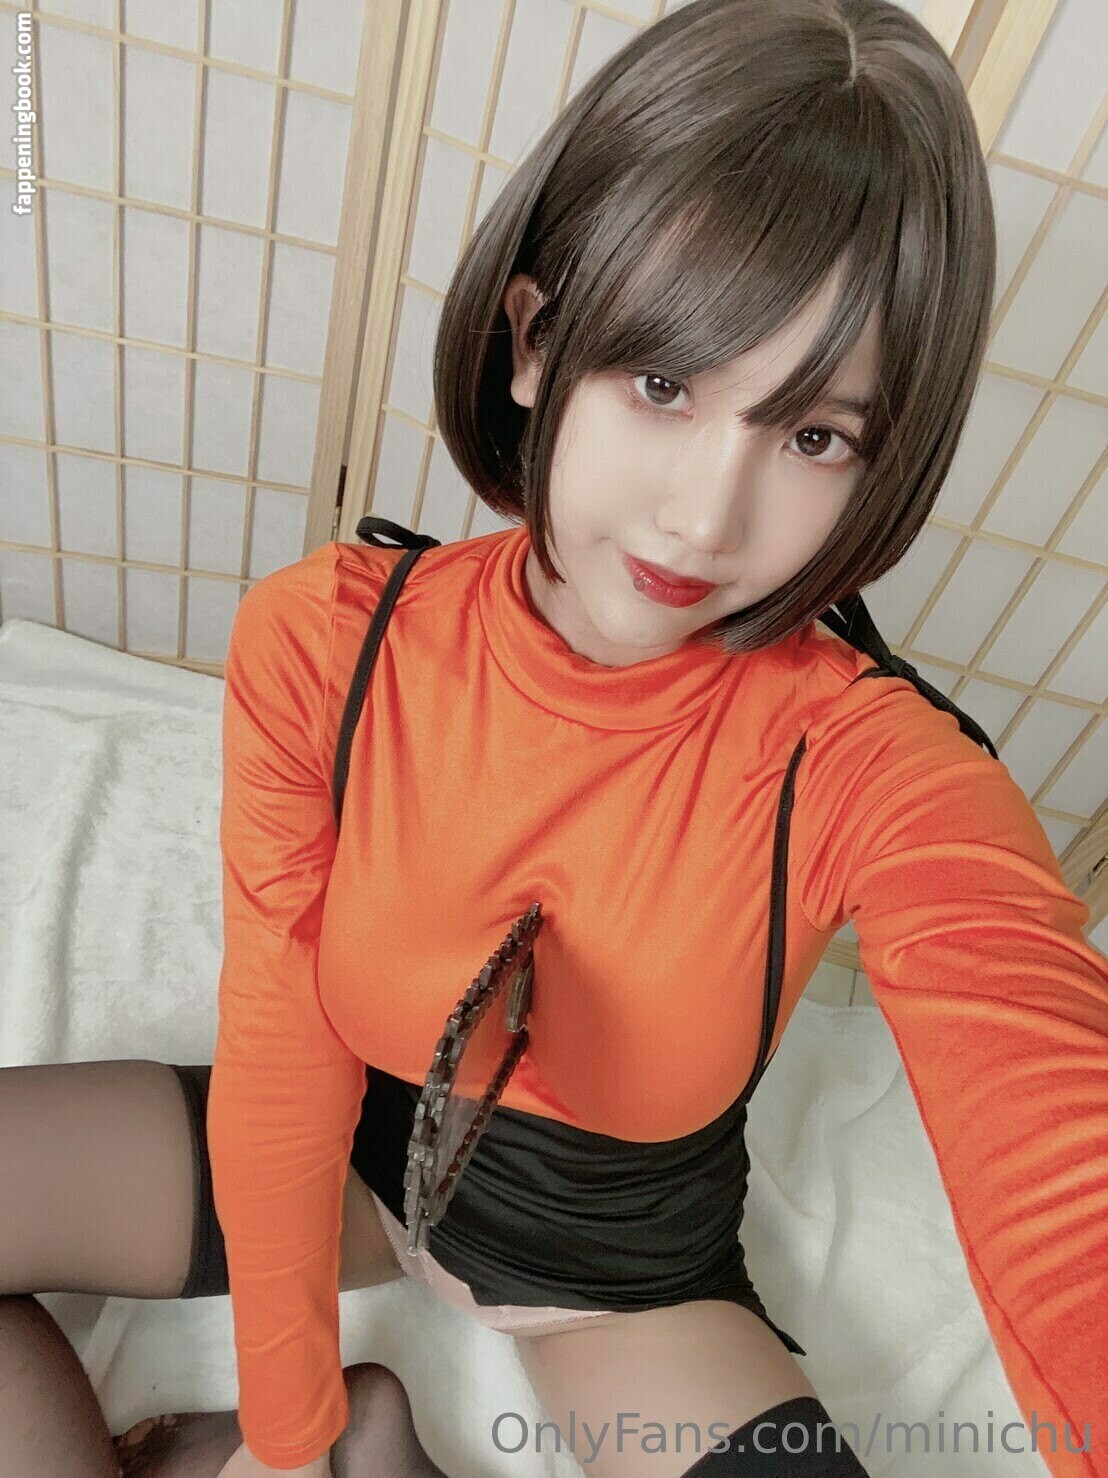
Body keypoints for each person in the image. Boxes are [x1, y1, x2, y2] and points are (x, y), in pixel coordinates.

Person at [2, 1, 1105, 1475]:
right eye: (663, 384)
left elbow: (1062, 1165)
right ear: (535, 343)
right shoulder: (330, 643)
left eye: (814, 435)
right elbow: (280, 1037)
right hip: (353, 1154)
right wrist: (292, 1424)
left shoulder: (867, 764)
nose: (703, 519)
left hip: (624, 1278)